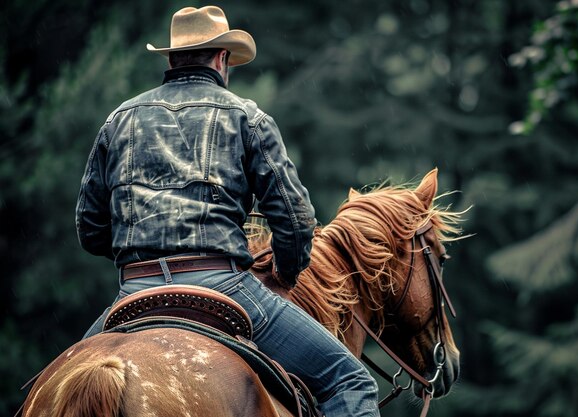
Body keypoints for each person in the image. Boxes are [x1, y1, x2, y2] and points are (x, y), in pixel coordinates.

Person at [75, 5, 380, 417]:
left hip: (134, 290)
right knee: (350, 380)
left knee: (54, 383)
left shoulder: (118, 120)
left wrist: (144, 257)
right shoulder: (247, 117)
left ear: (170, 58)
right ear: (221, 59)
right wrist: (286, 273)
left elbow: (90, 229)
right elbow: (294, 220)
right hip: (223, 286)